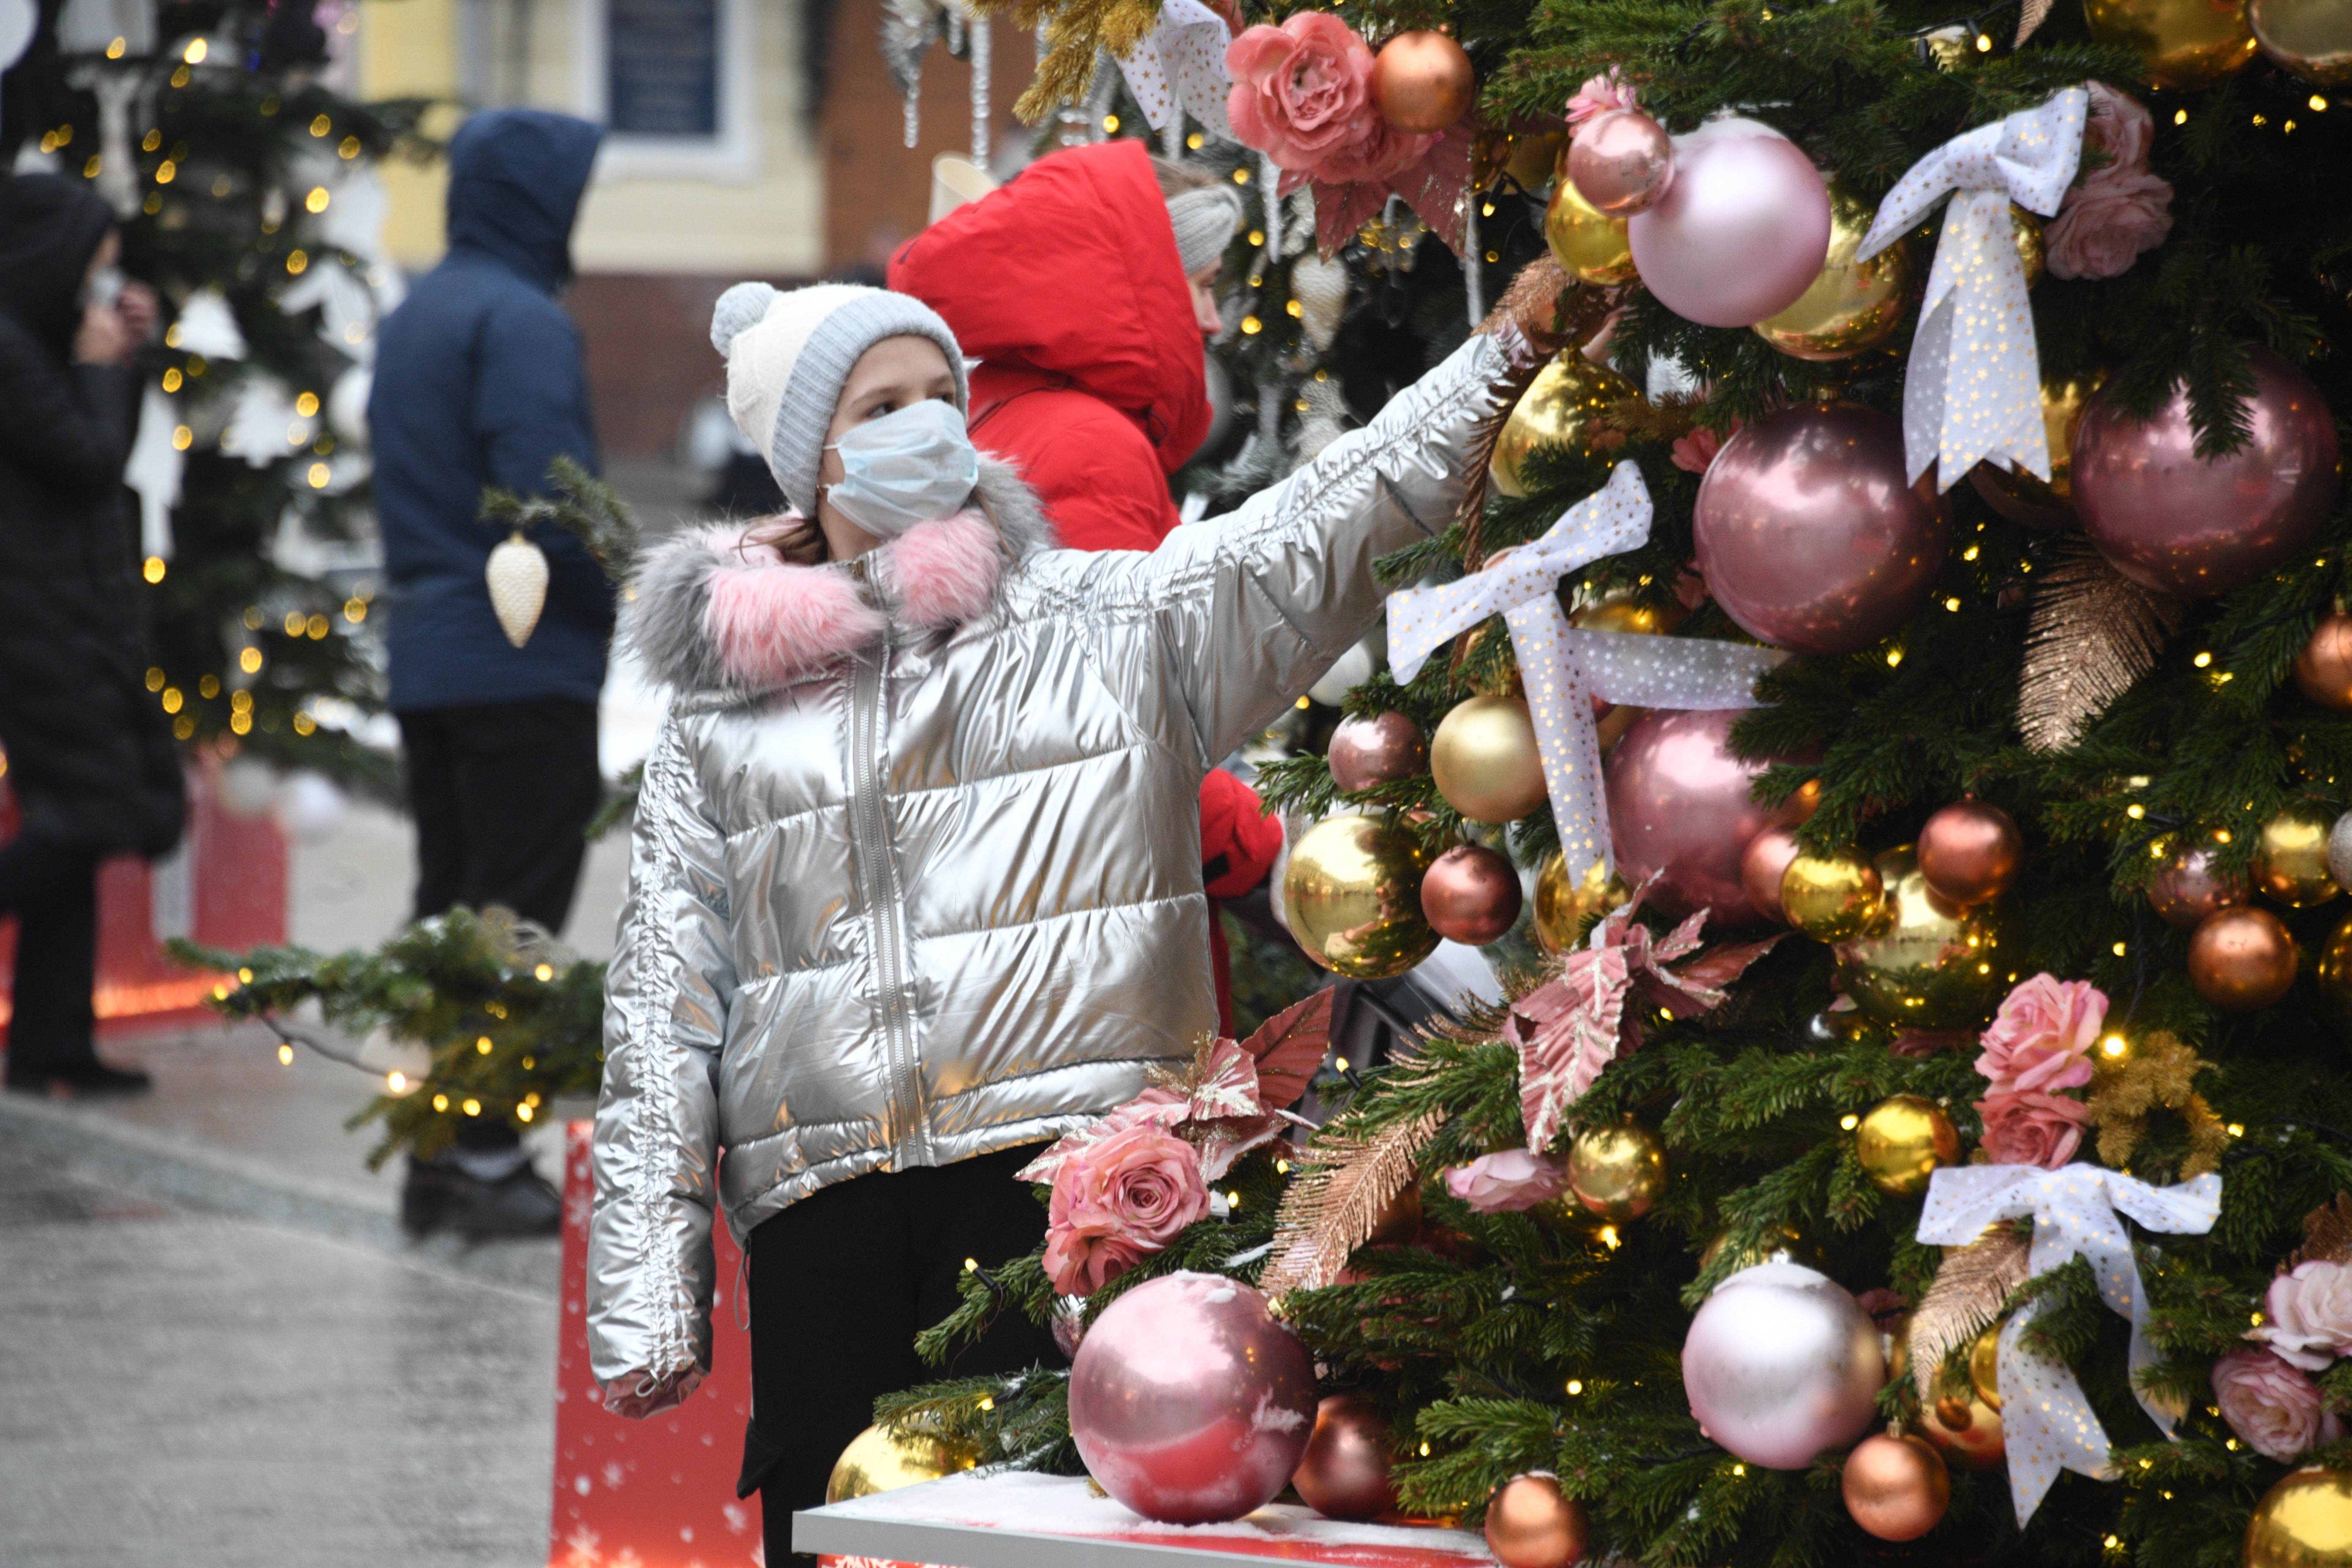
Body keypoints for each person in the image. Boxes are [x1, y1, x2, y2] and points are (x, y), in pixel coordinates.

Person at [585, 279, 1530, 1563]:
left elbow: (1322, 527)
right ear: (810, 457)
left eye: (940, 399)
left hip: (1065, 1199)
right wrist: (649, 1289)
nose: (927, 428)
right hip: (824, 1213)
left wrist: (1511, 348)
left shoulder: (1108, 621)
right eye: (881, 407)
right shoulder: (723, 716)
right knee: (834, 1535)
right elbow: (664, 989)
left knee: (1062, 1536)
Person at [889, 141, 1282, 1028]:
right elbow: (1116, 727)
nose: (1215, 320)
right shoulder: (1087, 443)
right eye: (1203, 283)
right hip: (1090, 940)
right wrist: (1268, 854)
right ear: (1139, 286)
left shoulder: (997, 405)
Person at [369, 108, 611, 1233]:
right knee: (514, 918)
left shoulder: (420, 309)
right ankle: (485, 1157)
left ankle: (432, 1153)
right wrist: (626, 592)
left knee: (452, 906)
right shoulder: (522, 321)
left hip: (429, 654)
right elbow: (548, 504)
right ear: (536, 200)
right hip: (520, 662)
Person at [0, 175, 183, 1097]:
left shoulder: (37, 341)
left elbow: (93, 448)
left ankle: (49, 1042)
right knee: (83, 824)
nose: (98, 291)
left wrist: (120, 361)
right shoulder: (11, 348)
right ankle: (47, 1038)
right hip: (37, 621)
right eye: (92, 270)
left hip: (67, 613)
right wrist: (99, 367)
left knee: (70, 826)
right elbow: (84, 459)